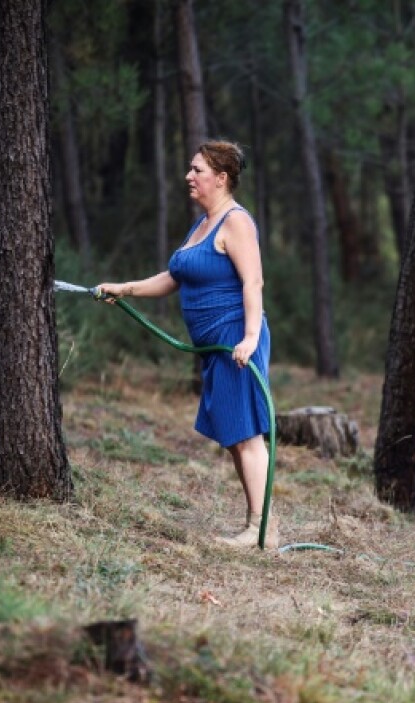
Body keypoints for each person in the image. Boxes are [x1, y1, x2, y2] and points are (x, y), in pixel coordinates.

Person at [96, 140, 275, 548]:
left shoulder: (236, 222)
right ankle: (258, 527)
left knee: (248, 437)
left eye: (197, 170)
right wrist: (125, 289)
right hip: (214, 347)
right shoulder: (202, 224)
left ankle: (262, 530)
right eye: (190, 169)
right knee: (234, 434)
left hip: (235, 341)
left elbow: (253, 281)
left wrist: (249, 337)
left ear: (221, 177)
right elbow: (176, 276)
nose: (188, 177)